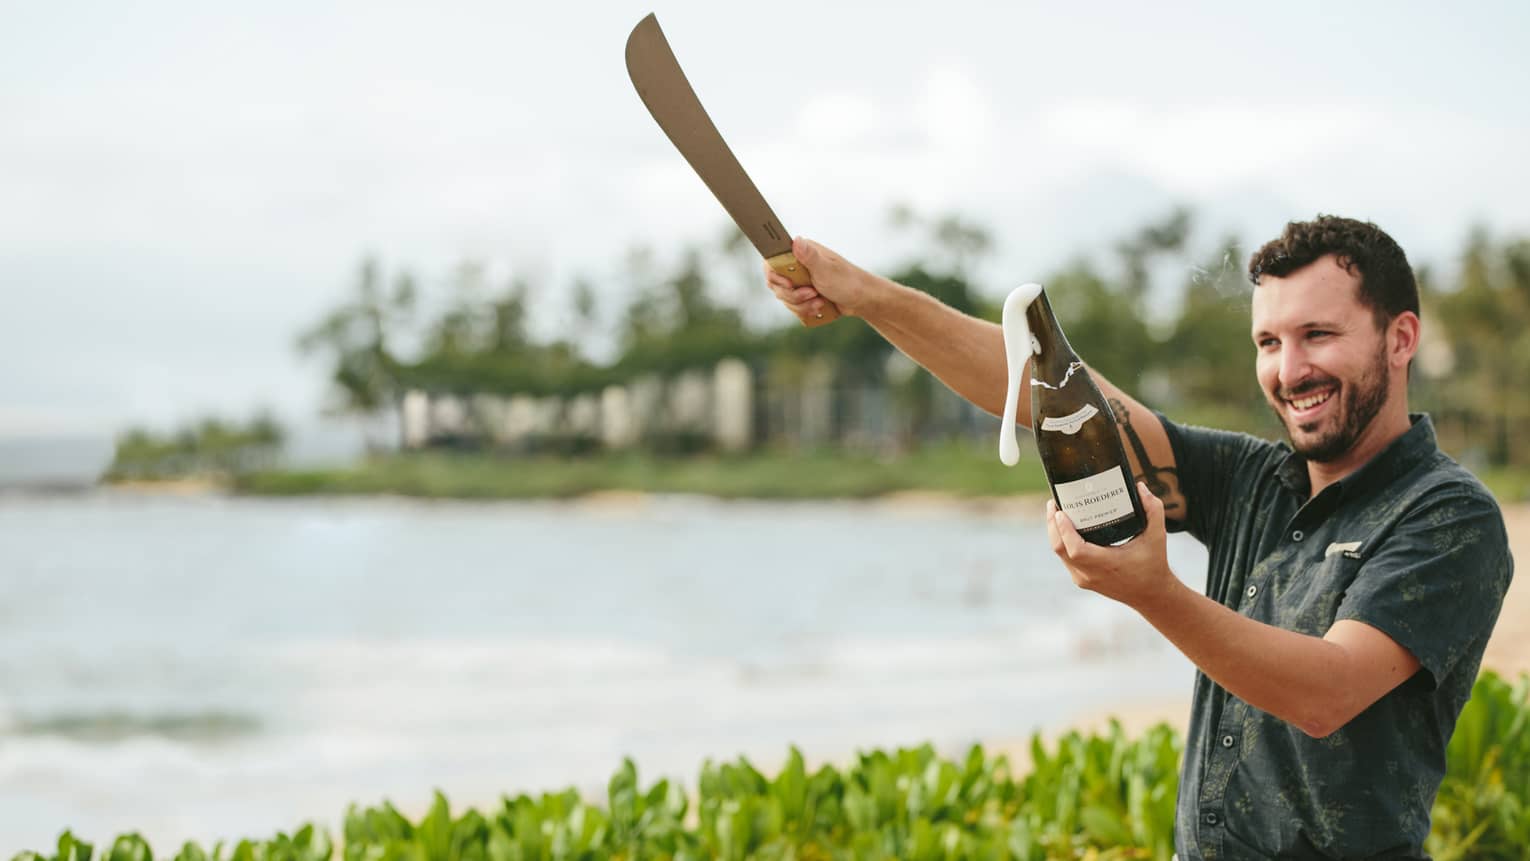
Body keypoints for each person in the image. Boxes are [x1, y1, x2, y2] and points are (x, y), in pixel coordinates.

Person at [764, 215, 1513, 860]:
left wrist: (1154, 594)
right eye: (1268, 341)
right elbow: (1048, 391)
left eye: (1317, 334)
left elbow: (1326, 691)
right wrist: (868, 297)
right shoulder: (1252, 480)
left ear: (1400, 337)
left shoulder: (1448, 515)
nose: (1289, 369)